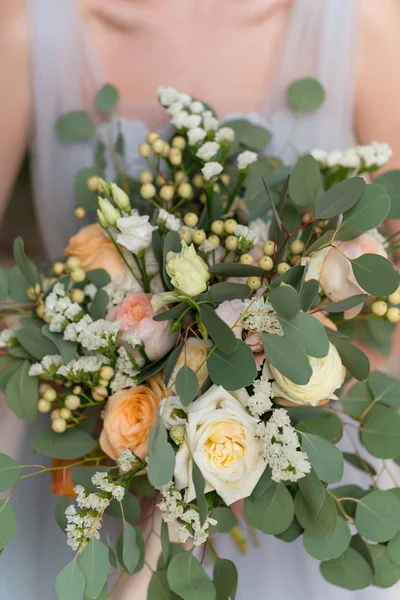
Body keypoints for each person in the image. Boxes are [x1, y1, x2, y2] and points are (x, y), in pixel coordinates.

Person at [0, 1, 399, 598]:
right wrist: (137, 424)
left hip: (302, 488)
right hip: (89, 483)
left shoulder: (363, 21)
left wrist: (263, 423)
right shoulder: (26, 29)